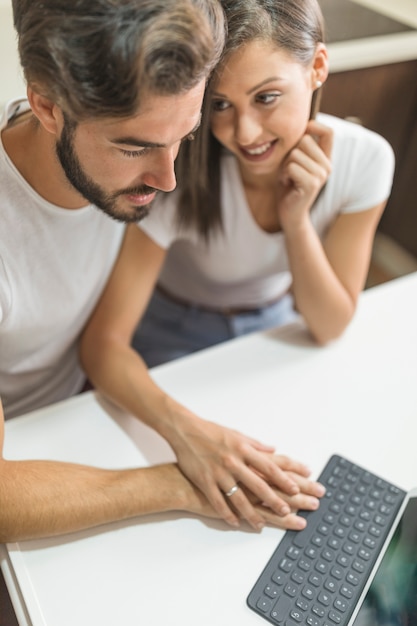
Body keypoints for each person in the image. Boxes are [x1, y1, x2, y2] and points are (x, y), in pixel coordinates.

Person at [0, 0, 322, 543]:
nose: (169, 180)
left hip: (93, 409)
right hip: (30, 456)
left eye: (186, 137)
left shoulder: (135, 149)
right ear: (46, 106)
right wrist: (177, 482)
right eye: (135, 148)